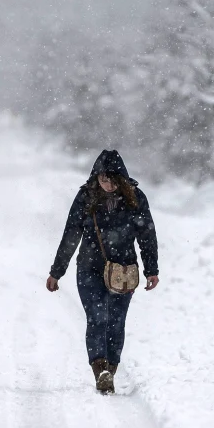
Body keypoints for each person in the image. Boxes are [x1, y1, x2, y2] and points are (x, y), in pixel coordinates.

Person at [47, 149, 159, 394]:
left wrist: (151, 269)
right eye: (103, 179)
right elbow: (71, 233)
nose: (108, 185)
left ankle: (111, 368)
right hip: (89, 269)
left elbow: (147, 235)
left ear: (122, 178)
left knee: (116, 322)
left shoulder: (135, 198)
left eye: (113, 180)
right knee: (97, 318)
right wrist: (57, 271)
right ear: (96, 177)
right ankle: (101, 371)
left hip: (123, 270)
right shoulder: (86, 197)